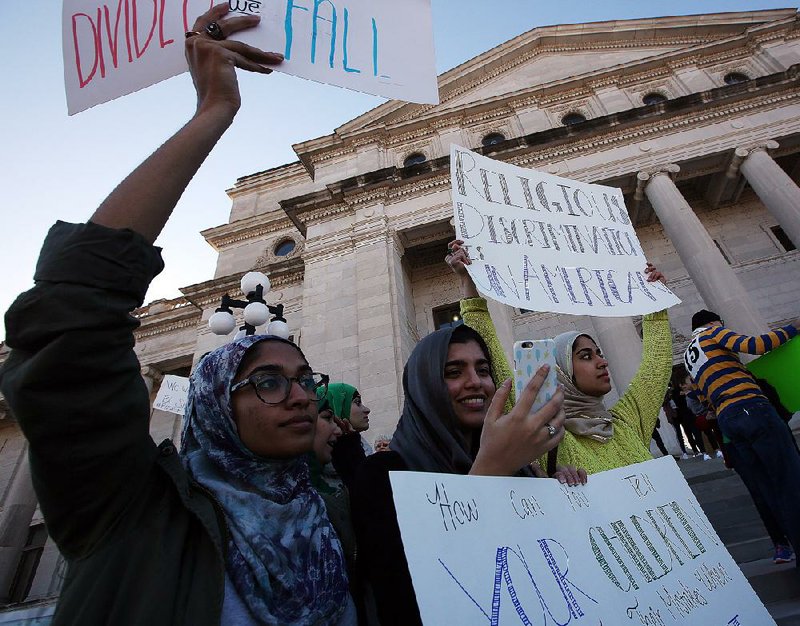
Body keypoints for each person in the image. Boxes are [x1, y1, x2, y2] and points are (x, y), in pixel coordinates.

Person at [0, 6, 356, 624]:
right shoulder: (135, 515)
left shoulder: (335, 520)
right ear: (215, 404)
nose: (302, 397)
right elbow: (72, 306)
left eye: (304, 379)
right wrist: (213, 114)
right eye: (269, 382)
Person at [350, 323, 567, 626]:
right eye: (454, 372)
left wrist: (564, 498)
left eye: (483, 370)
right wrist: (491, 473)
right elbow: (404, 602)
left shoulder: (522, 467)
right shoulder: (382, 476)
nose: (475, 382)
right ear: (424, 385)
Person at [446, 239, 673, 475]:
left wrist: (655, 301)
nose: (602, 361)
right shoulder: (544, 436)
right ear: (560, 372)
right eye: (586, 356)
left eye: (599, 353)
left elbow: (656, 365)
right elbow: (493, 360)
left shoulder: (628, 422)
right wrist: (468, 283)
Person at [685, 309, 800, 566]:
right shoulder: (713, 332)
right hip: (751, 408)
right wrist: (793, 327)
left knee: (771, 489)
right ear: (713, 322)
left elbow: (704, 399)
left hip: (729, 421)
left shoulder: (688, 357)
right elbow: (756, 345)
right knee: (791, 481)